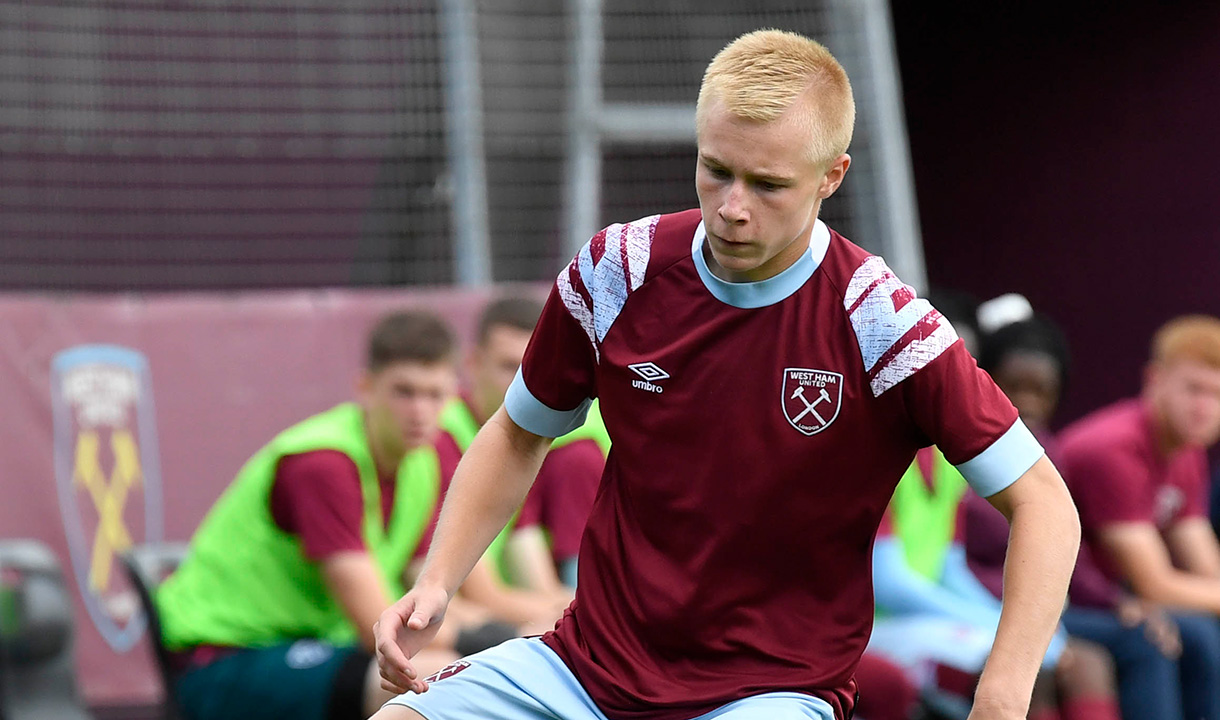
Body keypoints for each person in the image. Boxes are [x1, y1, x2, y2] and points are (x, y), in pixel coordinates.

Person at [373, 29, 1080, 720]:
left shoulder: (883, 324)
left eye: (769, 184)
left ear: (832, 175)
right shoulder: (617, 270)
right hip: (584, 669)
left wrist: (1002, 694)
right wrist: (438, 579)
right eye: (717, 169)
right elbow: (518, 432)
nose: (732, 208)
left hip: (768, 695)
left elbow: (1045, 504)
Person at [155, 311, 509, 720]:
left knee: (476, 672)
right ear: (366, 388)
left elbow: (424, 599)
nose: (419, 411)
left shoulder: (422, 465)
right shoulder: (324, 463)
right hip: (224, 659)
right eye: (404, 392)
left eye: (434, 395)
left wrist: (508, 635)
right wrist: (477, 639)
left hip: (312, 647)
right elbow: (378, 628)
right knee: (449, 682)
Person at [962, 311, 1183, 720]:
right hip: (991, 607)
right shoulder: (960, 452)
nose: (1028, 401)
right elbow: (953, 561)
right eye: (1014, 387)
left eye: (1042, 391)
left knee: (1152, 635)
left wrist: (1119, 603)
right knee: (1086, 662)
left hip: (1051, 606)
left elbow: (1068, 555)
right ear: (985, 381)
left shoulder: (1047, 452)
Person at [1056, 315, 1220, 720]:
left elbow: (1206, 566)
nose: (1205, 407)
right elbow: (1155, 584)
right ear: (1155, 380)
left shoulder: (1187, 450)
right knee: (1177, 635)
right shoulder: (1113, 448)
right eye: (1194, 389)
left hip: (1109, 598)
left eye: (1217, 394)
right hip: (1061, 599)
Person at [439, 297, 607, 621]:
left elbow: (535, 576)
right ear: (473, 364)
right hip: (434, 627)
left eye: (531, 367)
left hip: (468, 621)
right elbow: (483, 595)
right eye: (508, 366)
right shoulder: (441, 439)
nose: (522, 382)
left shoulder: (521, 444)